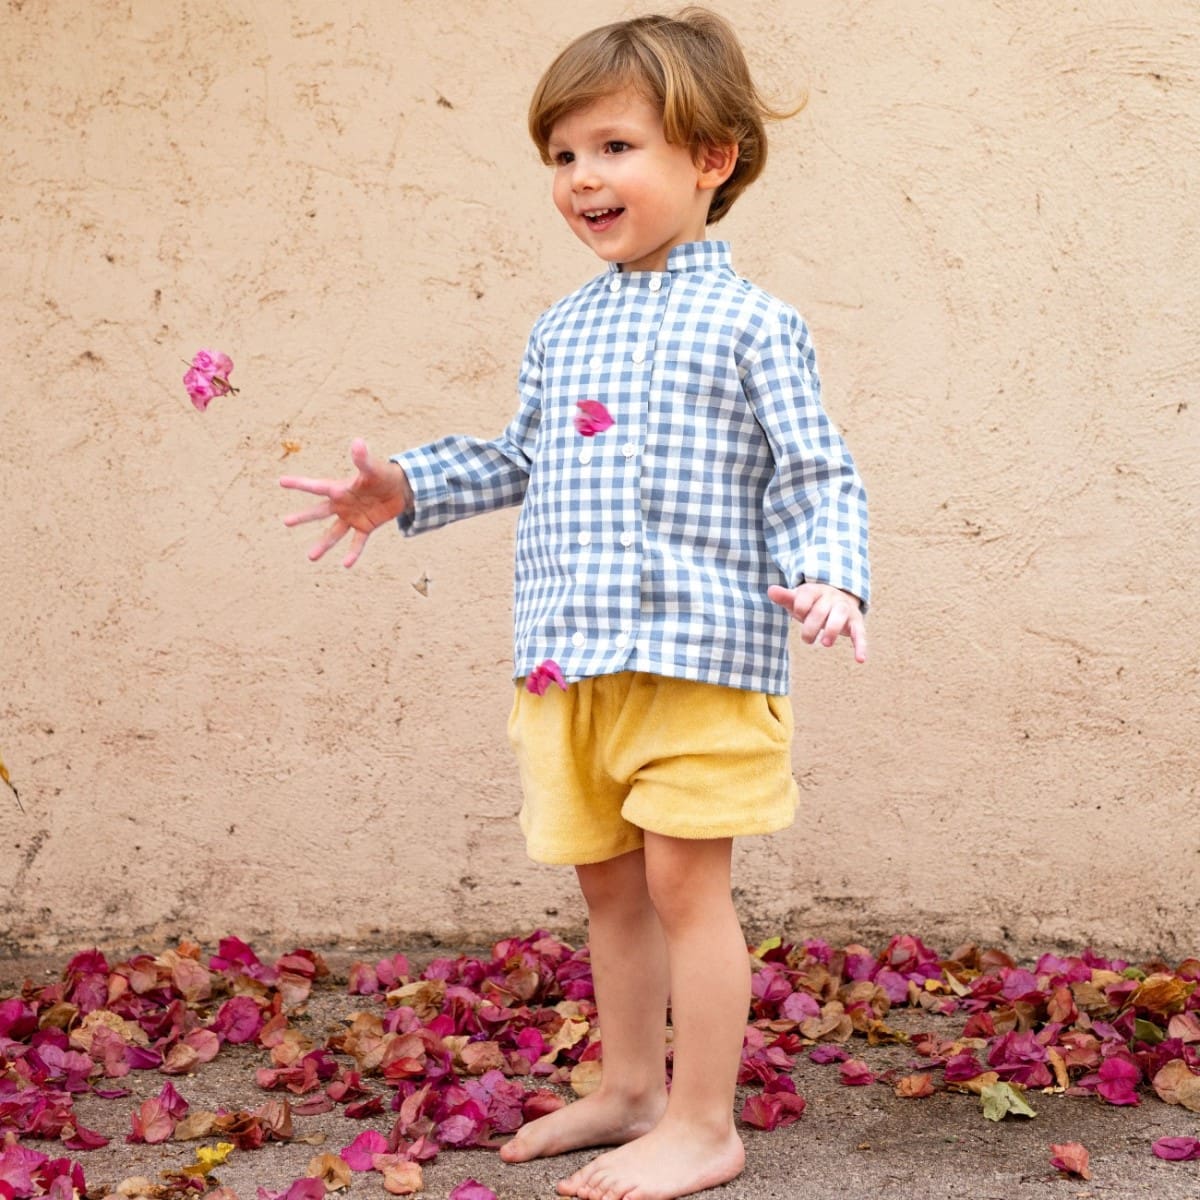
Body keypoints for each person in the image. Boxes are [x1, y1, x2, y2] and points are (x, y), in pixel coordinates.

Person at [281, 9, 869, 1199]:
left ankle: (704, 1122)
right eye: (562, 155)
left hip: (701, 660)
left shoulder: (754, 324)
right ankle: (633, 1089)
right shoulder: (561, 329)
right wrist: (406, 486)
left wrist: (833, 574)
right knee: (609, 886)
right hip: (572, 663)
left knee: (686, 886)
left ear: (711, 159)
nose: (582, 178)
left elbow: (816, 473)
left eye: (614, 147)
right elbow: (522, 456)